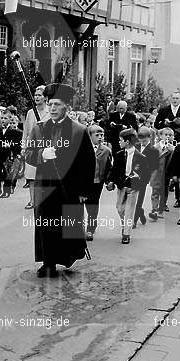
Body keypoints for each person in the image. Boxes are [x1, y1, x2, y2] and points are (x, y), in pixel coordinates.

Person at [27, 83, 95, 277]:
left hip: (70, 187)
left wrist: (84, 191)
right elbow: (28, 153)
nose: (53, 108)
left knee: (67, 224)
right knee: (46, 225)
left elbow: (88, 163)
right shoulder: (40, 129)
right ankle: (48, 263)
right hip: (45, 186)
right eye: (50, 104)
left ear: (66, 106)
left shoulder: (79, 130)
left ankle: (65, 257)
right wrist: (41, 154)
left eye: (57, 104)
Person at [22, 85, 50, 209]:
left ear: (45, 97)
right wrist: (24, 147)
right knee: (31, 176)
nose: (37, 97)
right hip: (32, 148)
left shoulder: (50, 111)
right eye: (35, 95)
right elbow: (26, 131)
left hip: (45, 148)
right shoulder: (30, 112)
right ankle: (32, 200)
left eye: (40, 95)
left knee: (44, 176)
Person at [84, 124, 112, 241]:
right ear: (90, 136)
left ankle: (90, 229)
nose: (100, 137)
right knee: (81, 205)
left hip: (97, 183)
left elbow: (109, 168)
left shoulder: (106, 151)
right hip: (83, 183)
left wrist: (109, 181)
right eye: (97, 135)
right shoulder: (82, 149)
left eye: (102, 135)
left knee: (93, 206)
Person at [135, 127, 159, 227]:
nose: (143, 140)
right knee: (132, 198)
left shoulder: (153, 150)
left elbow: (155, 167)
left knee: (139, 198)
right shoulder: (135, 146)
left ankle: (134, 220)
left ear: (150, 137)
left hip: (144, 178)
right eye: (141, 138)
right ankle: (140, 212)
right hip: (133, 176)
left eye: (145, 138)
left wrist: (151, 179)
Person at [150, 127, 175, 220]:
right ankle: (154, 209)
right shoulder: (155, 147)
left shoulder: (173, 148)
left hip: (166, 173)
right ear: (160, 136)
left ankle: (161, 208)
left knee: (164, 191)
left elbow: (174, 162)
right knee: (155, 191)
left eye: (170, 135)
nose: (168, 137)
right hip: (156, 173)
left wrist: (172, 151)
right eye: (166, 135)